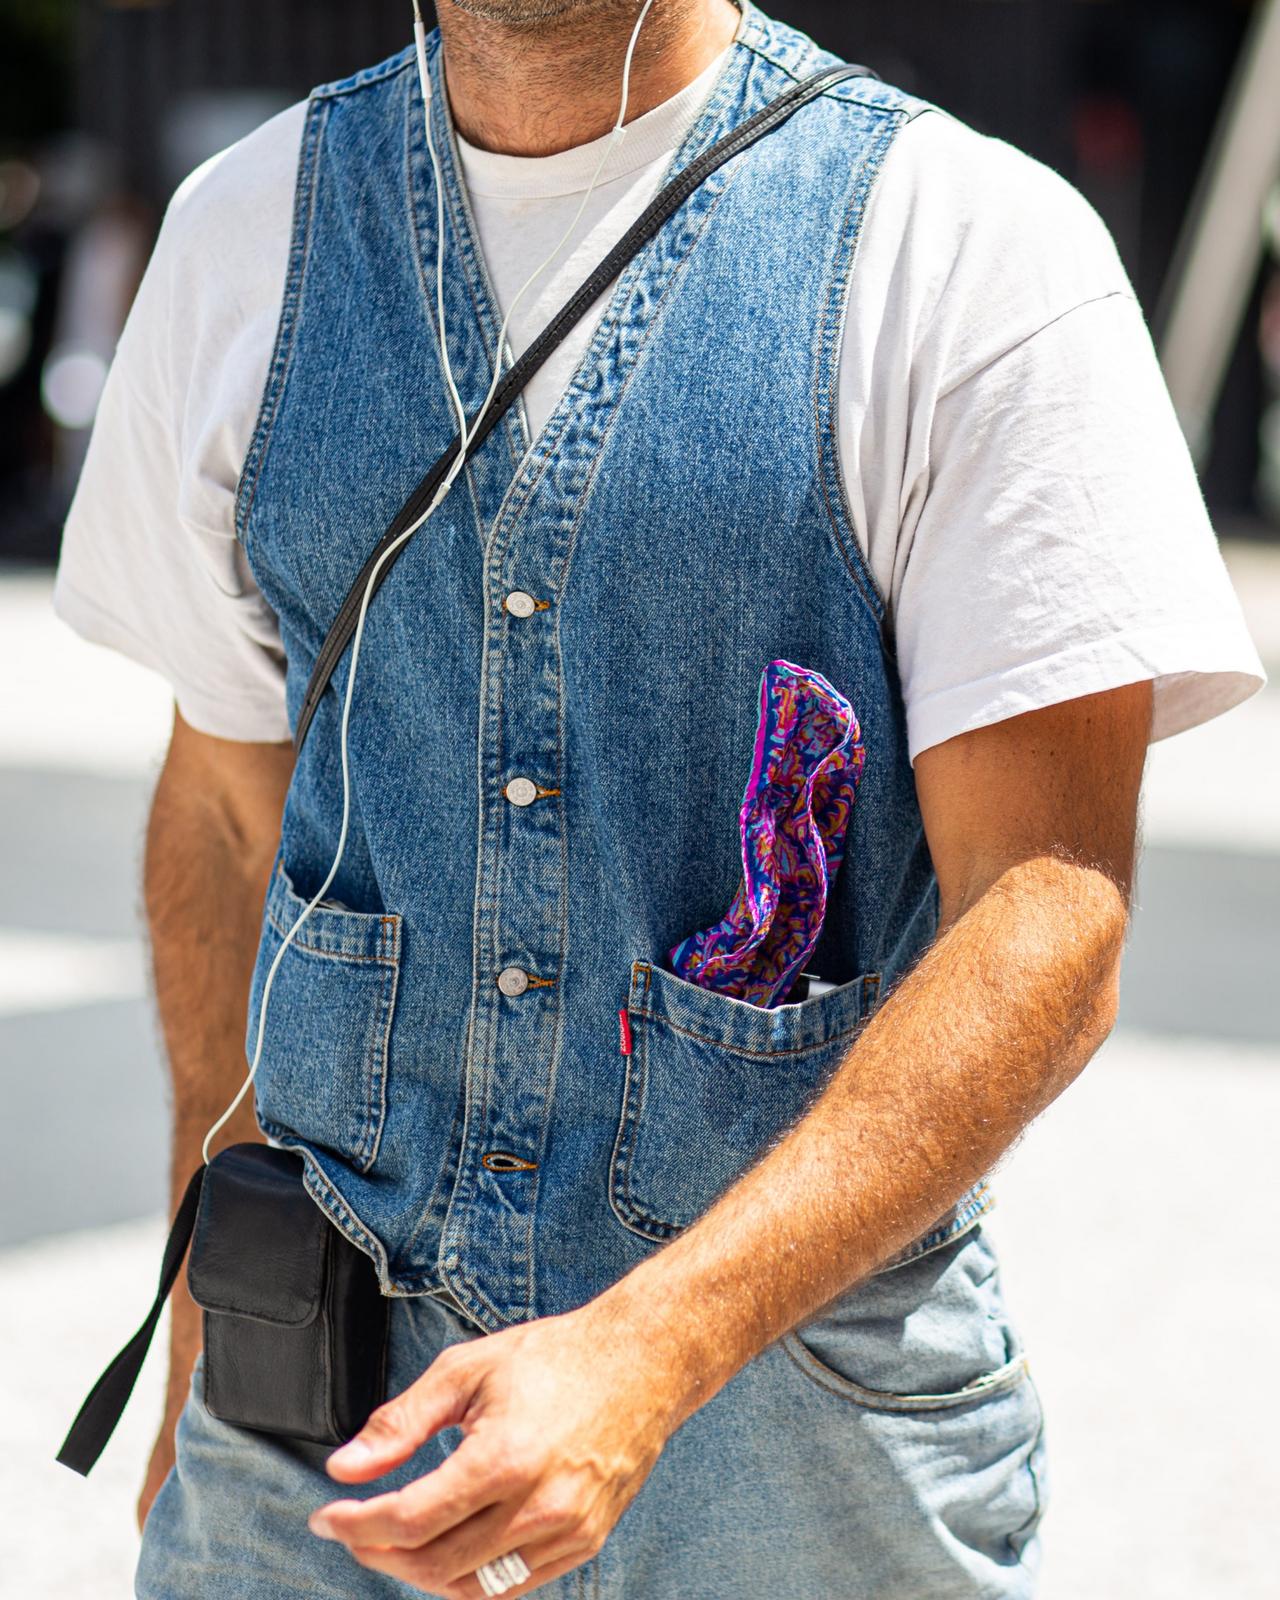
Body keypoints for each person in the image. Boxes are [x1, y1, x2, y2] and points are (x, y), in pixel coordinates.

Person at [54, 0, 1264, 1594]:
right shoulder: (242, 240)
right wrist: (210, 1307)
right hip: (319, 1436)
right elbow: (221, 812)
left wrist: (656, 1344)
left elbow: (1045, 918)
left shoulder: (969, 250)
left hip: (797, 1446)